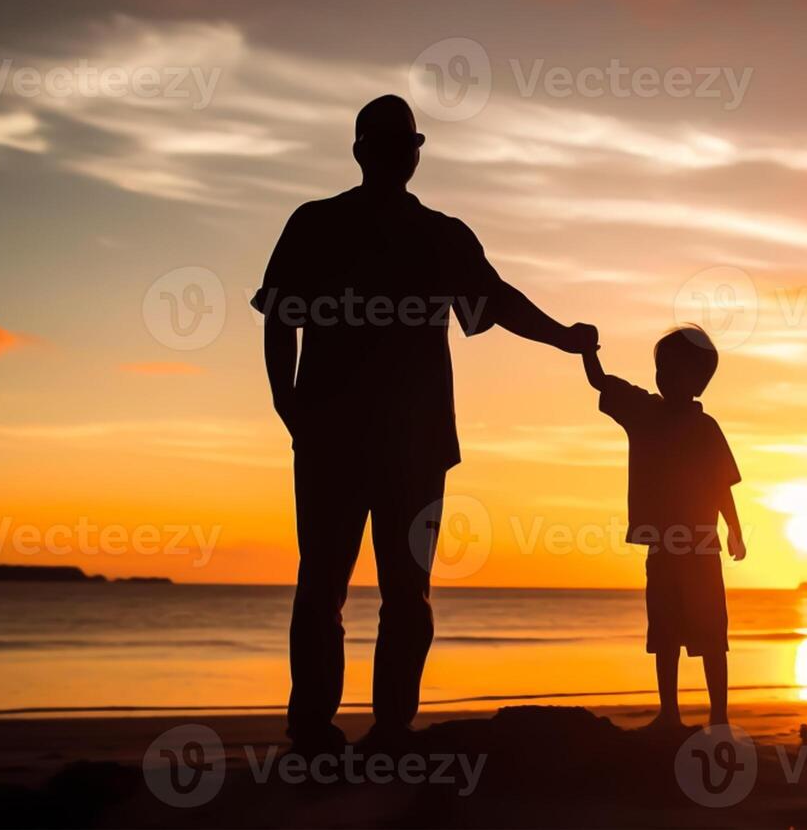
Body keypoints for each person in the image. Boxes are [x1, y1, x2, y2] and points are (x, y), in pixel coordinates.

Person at [254, 94, 597, 751]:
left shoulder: (438, 235)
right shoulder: (321, 225)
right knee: (334, 586)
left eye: (401, 147)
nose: (394, 158)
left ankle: (383, 729)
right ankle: (317, 728)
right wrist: (287, 403)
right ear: (364, 153)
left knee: (394, 594)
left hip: (404, 445)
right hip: (339, 437)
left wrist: (561, 336)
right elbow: (279, 317)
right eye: (385, 147)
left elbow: (495, 300)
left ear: (412, 154)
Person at [582, 326, 747, 728]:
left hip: (703, 546)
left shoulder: (706, 428)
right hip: (662, 547)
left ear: (698, 380)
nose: (667, 378)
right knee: (665, 631)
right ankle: (669, 713)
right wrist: (586, 350)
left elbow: (721, 484)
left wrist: (735, 529)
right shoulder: (643, 411)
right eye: (662, 370)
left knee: (711, 633)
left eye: (678, 372)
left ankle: (719, 717)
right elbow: (599, 382)